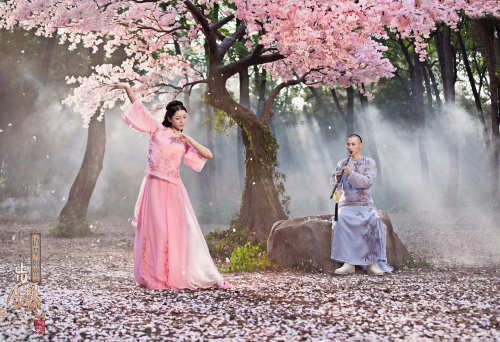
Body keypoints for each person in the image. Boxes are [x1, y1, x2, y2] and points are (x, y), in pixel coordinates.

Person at [112, 84, 231, 290]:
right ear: (169, 118)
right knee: (156, 230)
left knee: (177, 230)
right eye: (178, 118)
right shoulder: (156, 130)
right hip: (154, 186)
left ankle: (178, 273)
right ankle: (155, 275)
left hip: (174, 189)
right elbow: (138, 106)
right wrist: (126, 88)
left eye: (185, 117)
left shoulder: (183, 140)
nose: (182, 121)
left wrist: (188, 138)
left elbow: (208, 155)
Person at [330, 134, 393, 276]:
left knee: (373, 219)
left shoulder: (370, 163)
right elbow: (336, 188)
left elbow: (367, 182)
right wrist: (337, 178)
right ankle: (348, 263)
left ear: (360, 145)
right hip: (346, 205)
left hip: (365, 205)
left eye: (353, 144)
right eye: (348, 144)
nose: (350, 147)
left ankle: (372, 263)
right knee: (341, 219)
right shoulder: (342, 163)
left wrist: (351, 173)